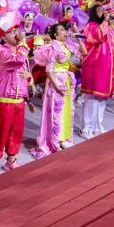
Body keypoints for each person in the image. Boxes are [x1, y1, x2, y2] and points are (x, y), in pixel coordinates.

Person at [0, 16, 35, 177]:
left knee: (16, 131)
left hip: (19, 99)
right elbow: (18, 62)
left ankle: (11, 159)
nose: (16, 34)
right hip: (4, 100)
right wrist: (23, 43)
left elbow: (22, 73)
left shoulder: (19, 50)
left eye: (16, 30)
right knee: (0, 132)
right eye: (11, 32)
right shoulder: (2, 51)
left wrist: (28, 87)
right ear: (3, 36)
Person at [31, 23, 86, 158]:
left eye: (65, 30)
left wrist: (78, 38)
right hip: (56, 83)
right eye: (62, 30)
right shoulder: (53, 47)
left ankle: (63, 138)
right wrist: (57, 86)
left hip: (66, 81)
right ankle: (54, 139)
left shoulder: (67, 46)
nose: (65, 32)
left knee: (66, 111)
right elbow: (49, 70)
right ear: (55, 35)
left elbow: (84, 53)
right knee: (56, 111)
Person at [80, 5, 114, 139]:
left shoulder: (106, 26)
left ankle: (97, 125)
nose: (104, 12)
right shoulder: (91, 26)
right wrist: (106, 21)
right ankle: (86, 128)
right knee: (92, 99)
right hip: (95, 67)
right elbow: (99, 37)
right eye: (100, 10)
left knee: (102, 98)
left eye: (104, 10)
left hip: (106, 67)